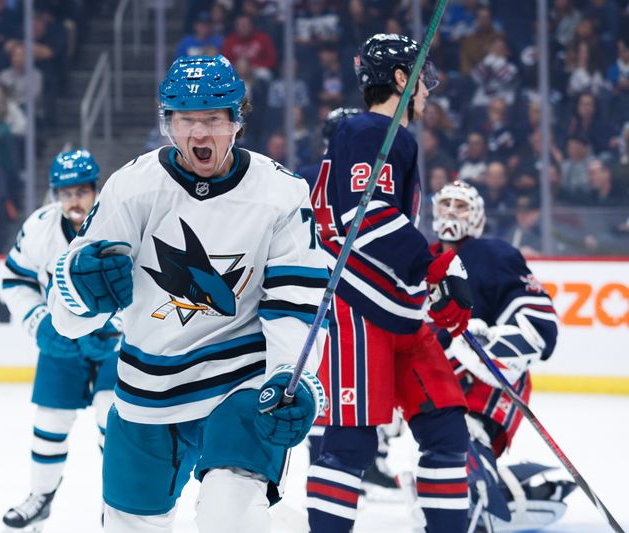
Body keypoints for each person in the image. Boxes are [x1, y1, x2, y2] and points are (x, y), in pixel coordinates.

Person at [48, 54, 328, 533]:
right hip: (145, 390)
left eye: (213, 119)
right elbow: (67, 319)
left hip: (238, 383)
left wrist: (293, 378)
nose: (199, 134)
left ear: (237, 121)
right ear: (167, 123)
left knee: (230, 520)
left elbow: (295, 308)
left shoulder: (281, 194)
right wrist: (78, 288)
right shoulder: (131, 188)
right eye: (186, 120)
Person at [305, 34, 473, 533]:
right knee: (349, 445)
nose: (426, 91)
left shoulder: (381, 134)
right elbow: (366, 214)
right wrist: (437, 266)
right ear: (402, 79)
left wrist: (428, 284)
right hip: (360, 311)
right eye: (422, 80)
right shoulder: (371, 129)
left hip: (400, 311)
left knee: (445, 430)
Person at [428, 181, 574, 530]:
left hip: (484, 381)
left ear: (477, 217)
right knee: (436, 462)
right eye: (445, 204)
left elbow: (540, 328)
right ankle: (512, 490)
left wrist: (486, 344)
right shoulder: (422, 258)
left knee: (461, 441)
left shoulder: (493, 254)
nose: (451, 211)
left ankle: (484, 504)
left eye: (460, 206)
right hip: (434, 380)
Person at [0, 149, 122, 531]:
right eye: (65, 193)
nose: (73, 200)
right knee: (50, 419)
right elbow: (15, 280)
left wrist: (115, 327)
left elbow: (146, 285)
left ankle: (118, 506)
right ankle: (41, 498)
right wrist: (41, 324)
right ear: (55, 195)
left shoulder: (120, 222)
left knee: (111, 416)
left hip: (115, 344)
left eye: (81, 192)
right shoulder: (40, 226)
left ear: (94, 190)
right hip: (62, 340)